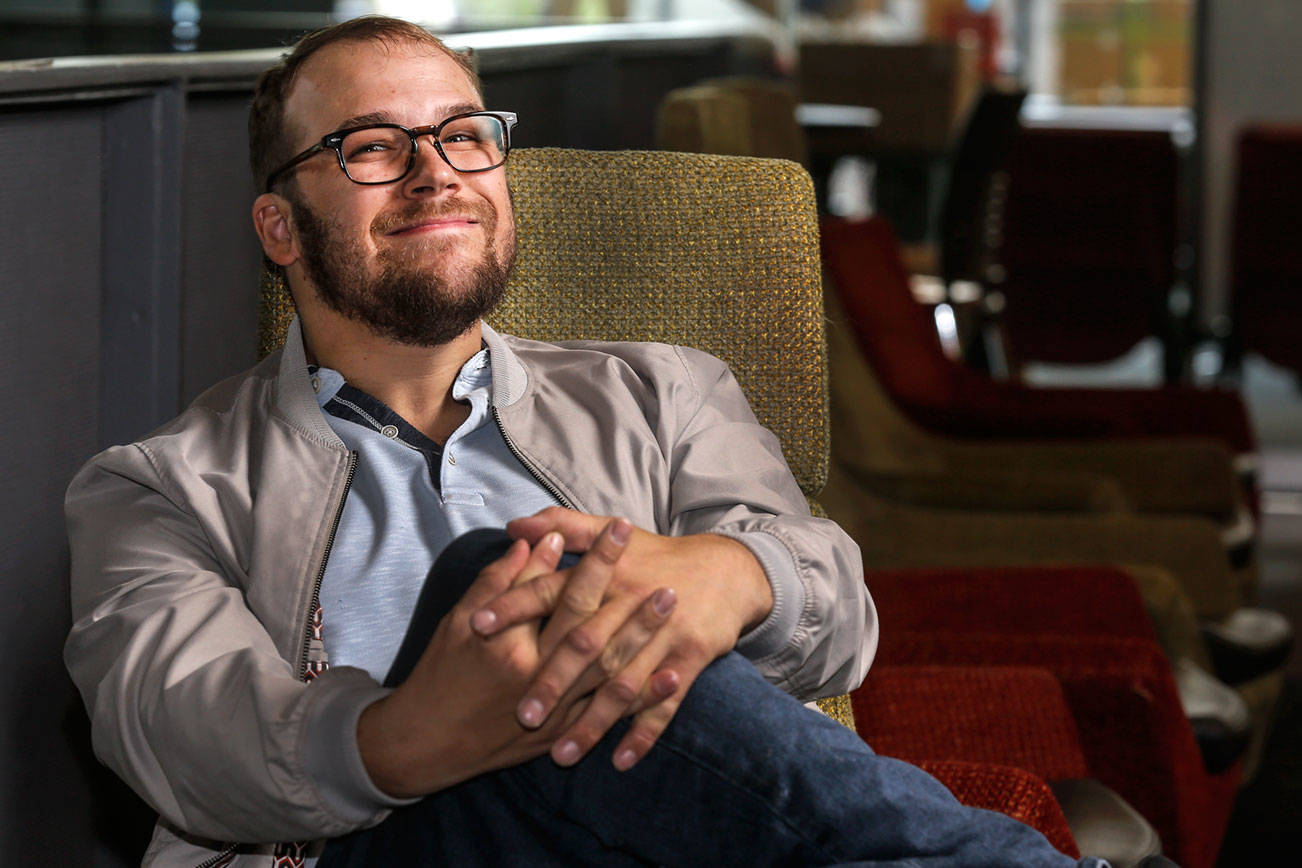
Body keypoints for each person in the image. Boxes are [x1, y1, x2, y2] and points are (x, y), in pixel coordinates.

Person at [64, 16, 1110, 867]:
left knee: (573, 595)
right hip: (371, 849)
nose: (436, 174)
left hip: (641, 838)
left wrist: (733, 575)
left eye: (464, 135)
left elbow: (839, 608)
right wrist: (415, 730)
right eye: (374, 147)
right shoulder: (162, 486)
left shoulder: (664, 391)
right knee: (529, 578)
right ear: (280, 227)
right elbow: (173, 728)